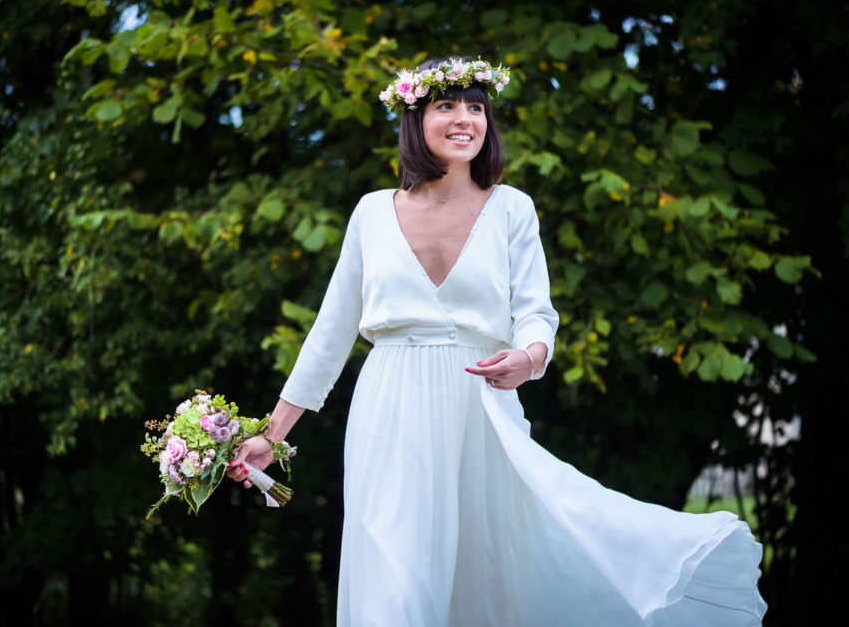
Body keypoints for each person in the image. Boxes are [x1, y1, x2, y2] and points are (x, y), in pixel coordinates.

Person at [227, 57, 767, 626]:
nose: (466, 119)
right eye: (447, 106)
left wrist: (530, 359)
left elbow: (536, 313)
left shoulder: (512, 208)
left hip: (480, 407)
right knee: (392, 580)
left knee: (483, 577)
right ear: (415, 117)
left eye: (476, 108)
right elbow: (330, 333)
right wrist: (272, 434)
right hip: (391, 407)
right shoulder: (371, 213)